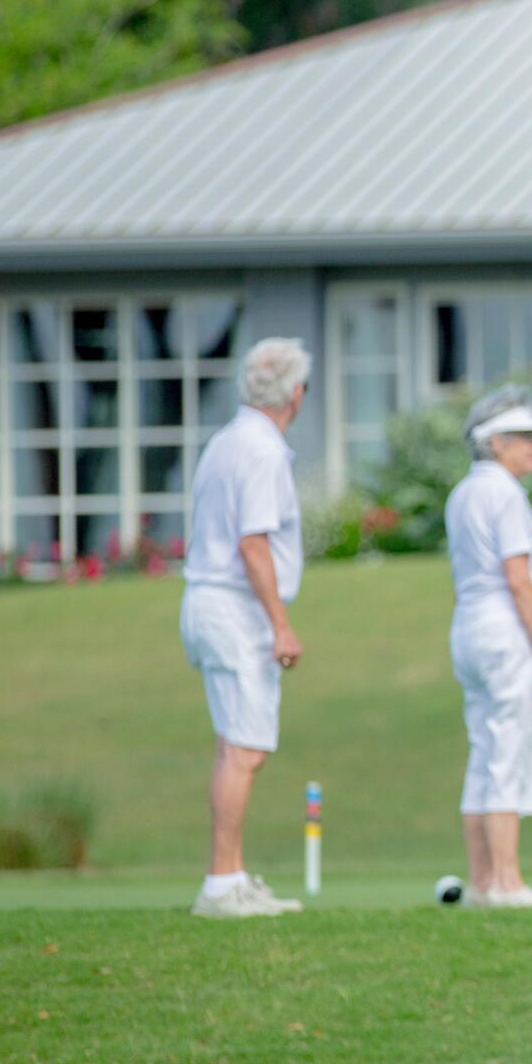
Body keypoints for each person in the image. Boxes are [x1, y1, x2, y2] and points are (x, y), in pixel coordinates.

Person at [180, 338, 314, 920]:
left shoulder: (227, 441)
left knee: (236, 743)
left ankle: (229, 876)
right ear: (295, 393)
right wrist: (281, 625)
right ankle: (220, 884)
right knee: (245, 748)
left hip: (211, 601)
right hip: (235, 608)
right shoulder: (261, 450)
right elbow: (253, 542)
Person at [447, 387, 532, 908]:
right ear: (496, 443)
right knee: (507, 752)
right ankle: (507, 883)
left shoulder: (465, 492)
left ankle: (481, 881)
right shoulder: (505, 495)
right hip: (505, 633)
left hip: (470, 629)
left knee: (484, 751)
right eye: (525, 439)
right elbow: (518, 578)